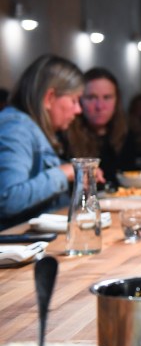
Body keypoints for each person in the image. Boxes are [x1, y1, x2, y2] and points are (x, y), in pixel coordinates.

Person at [0, 54, 84, 229]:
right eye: (74, 100)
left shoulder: (27, 127)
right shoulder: (16, 128)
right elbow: (7, 198)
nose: (78, 109)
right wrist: (65, 172)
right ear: (49, 98)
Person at [66, 68, 137, 186]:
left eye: (107, 97)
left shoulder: (125, 133)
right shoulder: (66, 137)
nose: (100, 106)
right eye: (91, 97)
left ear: (117, 100)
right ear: (79, 99)